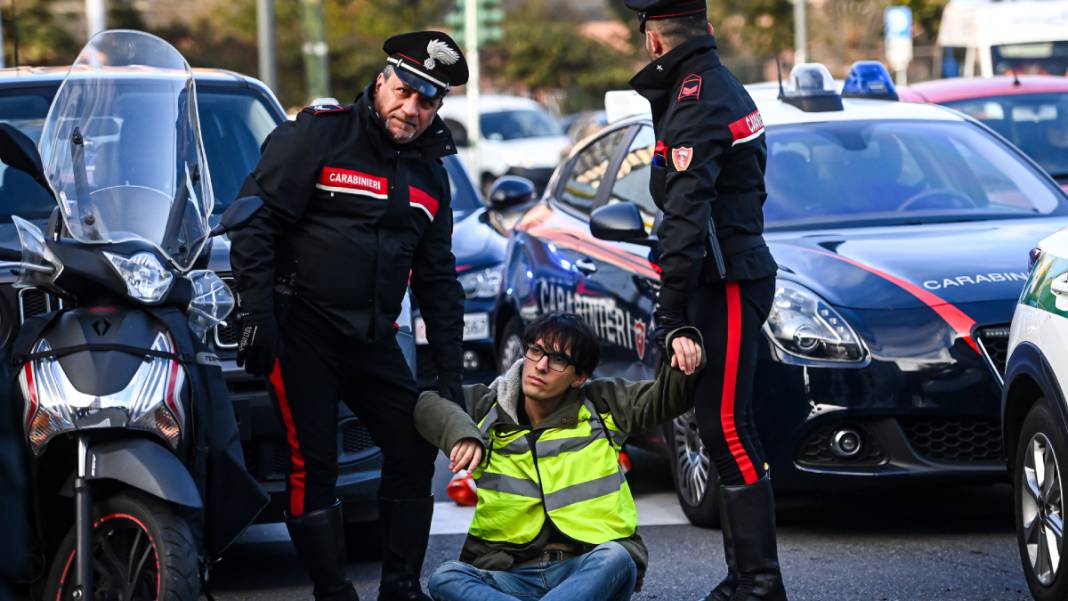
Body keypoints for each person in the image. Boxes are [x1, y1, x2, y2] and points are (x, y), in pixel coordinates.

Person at [228, 31, 469, 601]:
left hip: (372, 338)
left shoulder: (433, 175)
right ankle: (333, 591)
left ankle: (400, 587)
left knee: (413, 448)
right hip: (301, 328)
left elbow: (438, 282)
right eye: (405, 91)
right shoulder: (320, 134)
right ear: (383, 80)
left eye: (427, 101)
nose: (411, 109)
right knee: (314, 465)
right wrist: (256, 314)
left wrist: (451, 376)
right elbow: (253, 223)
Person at [625, 2, 786, 600]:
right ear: (707, 31)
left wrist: (670, 314)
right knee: (721, 429)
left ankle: (760, 583)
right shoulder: (705, 87)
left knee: (727, 426)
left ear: (655, 42)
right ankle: (744, 577)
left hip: (727, 280)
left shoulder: (697, 101)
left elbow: (685, 217)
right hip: (719, 276)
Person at [417, 312, 704, 601]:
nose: (540, 366)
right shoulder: (487, 407)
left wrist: (681, 344)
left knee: (616, 557)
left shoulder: (603, 404)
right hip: (510, 575)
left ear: (579, 377)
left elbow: (668, 397)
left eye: (558, 360)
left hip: (586, 569)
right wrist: (462, 433)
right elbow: (427, 402)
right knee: (445, 577)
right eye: (536, 351)